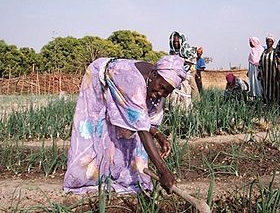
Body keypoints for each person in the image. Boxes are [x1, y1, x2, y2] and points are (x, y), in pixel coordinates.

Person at [64, 55, 187, 194]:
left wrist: (158, 135)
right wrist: (163, 171)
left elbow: (144, 121)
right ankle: (85, 179)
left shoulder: (156, 82)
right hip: (98, 79)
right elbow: (142, 129)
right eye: (161, 87)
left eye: (166, 92)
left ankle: (127, 177)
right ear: (153, 75)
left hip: (127, 86)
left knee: (129, 134)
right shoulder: (133, 82)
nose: (161, 93)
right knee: (95, 128)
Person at [169, 31, 200, 103]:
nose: (175, 43)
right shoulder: (172, 52)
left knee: (192, 85)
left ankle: (196, 102)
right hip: (176, 73)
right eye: (174, 42)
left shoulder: (187, 50)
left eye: (177, 41)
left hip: (188, 71)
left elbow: (189, 63)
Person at [258, 34, 280, 103]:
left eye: (270, 41)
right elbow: (260, 64)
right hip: (265, 76)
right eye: (267, 41)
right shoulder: (263, 53)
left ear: (273, 42)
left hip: (273, 76)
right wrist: (259, 74)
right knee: (265, 90)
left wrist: (278, 74)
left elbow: (278, 64)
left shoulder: (275, 53)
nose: (268, 43)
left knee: (274, 90)